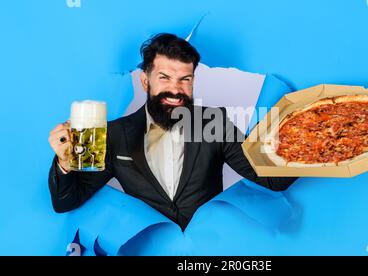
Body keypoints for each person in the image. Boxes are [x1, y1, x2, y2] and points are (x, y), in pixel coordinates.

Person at [48, 33, 298, 230]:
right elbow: (66, 201)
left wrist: (309, 143)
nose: (175, 89)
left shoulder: (213, 122)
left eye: (184, 79)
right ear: (145, 81)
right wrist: (65, 164)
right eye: (165, 78)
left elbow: (271, 179)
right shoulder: (114, 134)